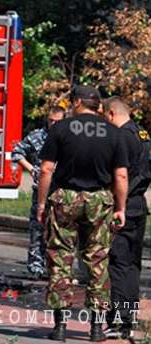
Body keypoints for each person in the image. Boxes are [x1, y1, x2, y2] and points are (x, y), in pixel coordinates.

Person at [37, 85, 129, 342]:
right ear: (97, 105)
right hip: (100, 200)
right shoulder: (114, 133)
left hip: (65, 198)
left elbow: (46, 169)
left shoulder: (61, 129)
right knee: (98, 263)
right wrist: (120, 208)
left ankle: (60, 327)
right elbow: (120, 175)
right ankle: (97, 328)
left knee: (61, 259)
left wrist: (42, 205)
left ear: (77, 102)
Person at [102, 97, 151, 340]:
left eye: (104, 117)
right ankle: (129, 318)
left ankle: (118, 321)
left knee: (118, 264)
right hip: (139, 205)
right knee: (132, 264)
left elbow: (120, 175)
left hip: (123, 204)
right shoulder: (143, 134)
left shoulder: (121, 136)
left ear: (111, 114)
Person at [11, 107, 65, 279]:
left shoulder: (69, 137)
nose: (54, 124)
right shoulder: (37, 136)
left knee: (60, 231)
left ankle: (57, 268)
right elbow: (17, 152)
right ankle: (36, 266)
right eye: (51, 120)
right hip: (41, 188)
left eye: (58, 121)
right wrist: (32, 169)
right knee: (38, 229)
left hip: (61, 190)